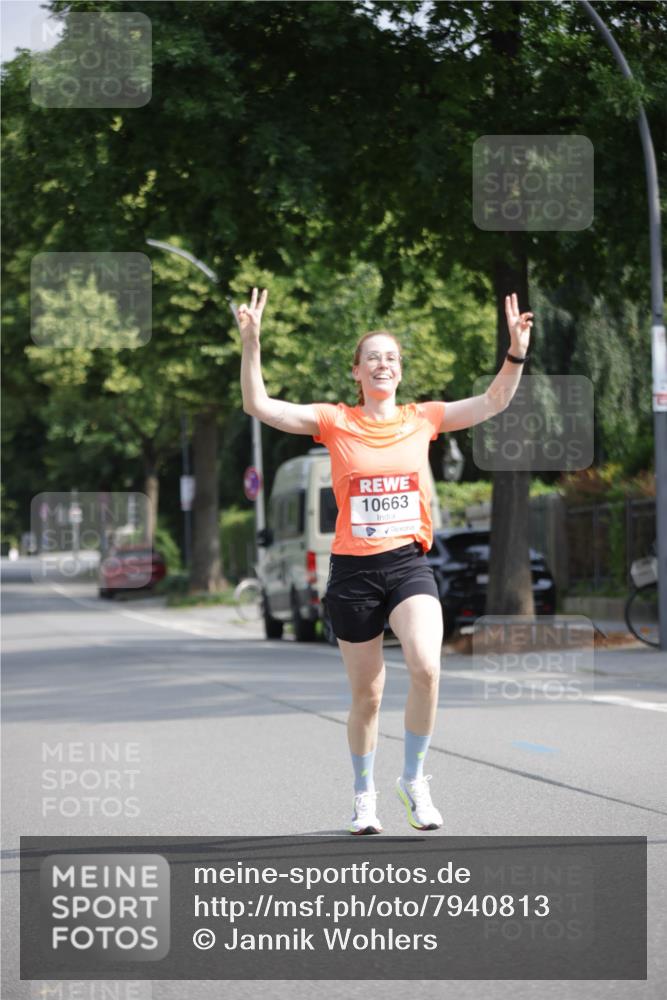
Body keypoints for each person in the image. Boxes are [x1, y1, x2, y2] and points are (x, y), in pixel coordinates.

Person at [239, 287, 533, 834]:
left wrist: (515, 351)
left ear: (399, 371)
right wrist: (251, 343)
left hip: (407, 564)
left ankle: (415, 780)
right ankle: (363, 795)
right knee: (367, 696)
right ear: (357, 371)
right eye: (372, 356)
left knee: (426, 665)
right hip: (353, 572)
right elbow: (260, 406)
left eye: (391, 357)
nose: (383, 363)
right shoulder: (334, 421)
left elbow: (493, 402)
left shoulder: (423, 418)